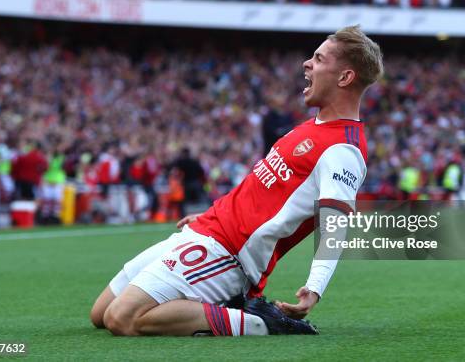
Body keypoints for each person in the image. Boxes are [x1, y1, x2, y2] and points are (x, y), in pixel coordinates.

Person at [90, 25, 384, 337]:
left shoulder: (344, 149)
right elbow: (259, 188)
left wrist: (314, 288)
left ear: (344, 78)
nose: (307, 64)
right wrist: (209, 215)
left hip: (228, 253)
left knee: (121, 319)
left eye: (319, 59)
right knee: (100, 313)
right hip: (207, 229)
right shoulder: (311, 127)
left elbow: (335, 224)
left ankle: (259, 322)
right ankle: (231, 304)